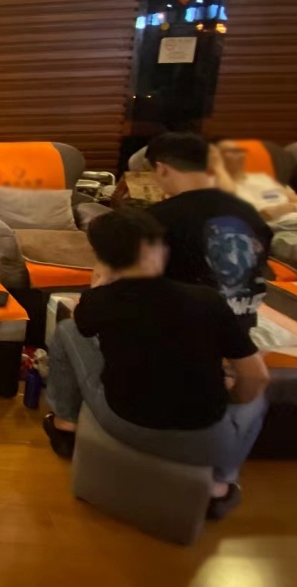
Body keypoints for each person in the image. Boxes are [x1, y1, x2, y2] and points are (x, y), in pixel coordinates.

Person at [43, 210, 270, 520]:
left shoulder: (101, 301)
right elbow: (257, 377)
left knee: (68, 330)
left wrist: (102, 282)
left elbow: (82, 323)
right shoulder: (207, 300)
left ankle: (65, 425)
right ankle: (219, 485)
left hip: (125, 424)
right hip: (206, 440)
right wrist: (228, 398)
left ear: (101, 257)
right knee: (258, 396)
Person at [145, 131, 272, 334]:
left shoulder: (158, 217)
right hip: (241, 325)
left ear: (162, 169)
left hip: (180, 331)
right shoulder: (247, 211)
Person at [212, 139, 297, 221]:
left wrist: (290, 207)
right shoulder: (220, 185)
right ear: (217, 157)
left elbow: (293, 198)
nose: (239, 155)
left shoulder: (263, 178)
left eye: (239, 151)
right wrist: (218, 167)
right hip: (278, 226)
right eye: (229, 151)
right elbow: (255, 217)